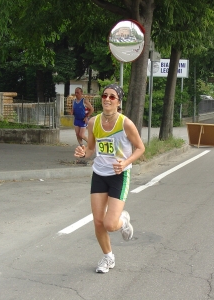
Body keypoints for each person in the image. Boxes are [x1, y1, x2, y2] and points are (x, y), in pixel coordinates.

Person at [74, 83, 145, 274]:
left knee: (110, 224)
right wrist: (83, 153)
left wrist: (125, 162)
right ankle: (108, 257)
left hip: (119, 176)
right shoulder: (93, 123)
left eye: (112, 97)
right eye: (105, 95)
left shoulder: (125, 124)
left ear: (118, 102)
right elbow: (90, 150)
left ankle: (123, 220)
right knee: (98, 222)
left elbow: (140, 148)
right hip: (99, 174)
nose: (107, 99)